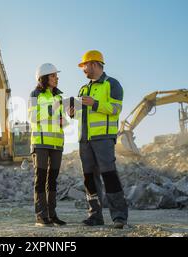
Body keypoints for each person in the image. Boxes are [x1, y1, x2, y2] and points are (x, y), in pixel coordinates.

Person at [69, 50, 128, 228]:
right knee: (89, 178)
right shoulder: (83, 88)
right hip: (84, 140)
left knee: (109, 175)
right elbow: (81, 113)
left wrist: (94, 103)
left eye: (84, 65)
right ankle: (95, 215)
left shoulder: (112, 84)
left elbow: (116, 109)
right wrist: (73, 112)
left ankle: (119, 217)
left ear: (94, 64)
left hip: (103, 138)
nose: (83, 69)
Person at [28, 63, 68, 227]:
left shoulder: (59, 97)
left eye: (56, 75)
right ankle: (41, 216)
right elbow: (33, 117)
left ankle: (52, 215)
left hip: (57, 144)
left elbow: (63, 121)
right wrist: (53, 112)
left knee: (53, 180)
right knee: (41, 179)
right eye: (53, 76)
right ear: (43, 78)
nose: (56, 78)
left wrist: (64, 118)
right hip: (41, 143)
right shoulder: (35, 94)